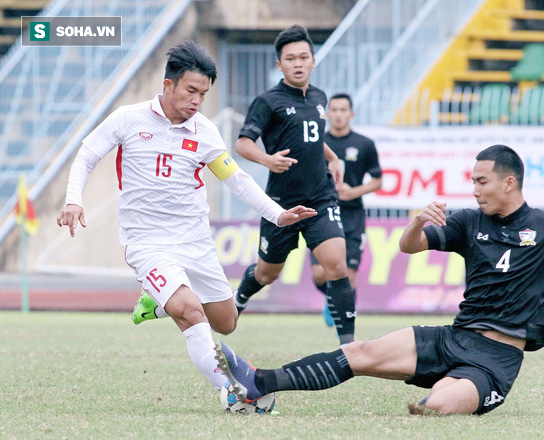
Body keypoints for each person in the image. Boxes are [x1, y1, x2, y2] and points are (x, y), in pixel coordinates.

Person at [213, 144, 544, 415]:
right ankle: (258, 383)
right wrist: (414, 222)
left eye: (482, 181)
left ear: (509, 182)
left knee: (437, 406)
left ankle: (448, 396)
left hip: (495, 361)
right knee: (360, 352)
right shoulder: (468, 221)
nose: (474, 189)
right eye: (472, 181)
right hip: (452, 337)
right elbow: (410, 247)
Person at [56, 41, 315, 397]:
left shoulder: (204, 131)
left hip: (195, 241)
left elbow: (235, 178)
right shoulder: (128, 119)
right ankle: (232, 392)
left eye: (203, 94)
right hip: (147, 242)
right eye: (191, 90)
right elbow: (86, 155)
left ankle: (157, 303)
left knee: (226, 322)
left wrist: (278, 213)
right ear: (168, 85)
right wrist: (74, 200)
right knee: (191, 313)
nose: (196, 100)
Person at [231, 25, 358, 346]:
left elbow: (313, 138)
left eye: (304, 57)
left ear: (313, 61)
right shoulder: (268, 101)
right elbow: (242, 144)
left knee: (337, 266)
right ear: (280, 65)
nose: (298, 63)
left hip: (321, 199)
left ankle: (349, 347)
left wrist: (333, 159)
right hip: (281, 205)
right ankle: (239, 299)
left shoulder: (319, 98)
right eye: (290, 59)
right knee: (266, 274)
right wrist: (268, 160)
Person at [309, 93, 382, 327]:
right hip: (322, 212)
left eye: (343, 110)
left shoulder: (364, 144)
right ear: (327, 114)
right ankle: (333, 298)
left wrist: (355, 191)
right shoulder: (316, 142)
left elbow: (378, 180)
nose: (339, 115)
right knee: (320, 274)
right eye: (335, 110)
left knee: (348, 277)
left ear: (351, 114)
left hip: (352, 215)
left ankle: (346, 327)